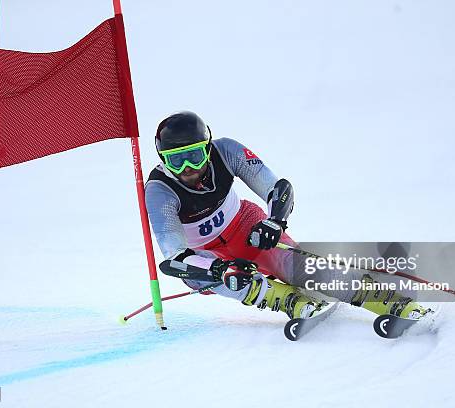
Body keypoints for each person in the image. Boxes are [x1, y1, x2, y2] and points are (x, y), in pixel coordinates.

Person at [145, 111, 430, 320]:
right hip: (205, 253)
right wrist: (218, 269)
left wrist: (275, 221)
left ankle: (382, 298)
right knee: (223, 278)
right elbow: (175, 259)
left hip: (244, 226)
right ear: (163, 160)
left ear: (207, 147)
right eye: (176, 160)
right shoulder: (159, 191)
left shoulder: (226, 151)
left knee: (297, 266)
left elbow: (278, 188)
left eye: (194, 156)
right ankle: (284, 300)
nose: (187, 169)